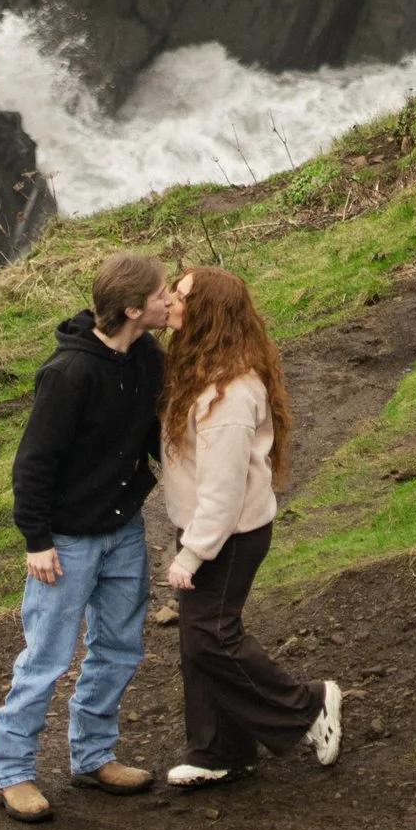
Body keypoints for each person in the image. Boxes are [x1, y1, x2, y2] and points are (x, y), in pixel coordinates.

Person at [0, 247, 168, 822]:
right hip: (63, 543)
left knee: (118, 647)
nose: (171, 301)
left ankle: (92, 757)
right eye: (163, 294)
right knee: (46, 657)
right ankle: (11, 770)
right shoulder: (68, 373)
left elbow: (154, 438)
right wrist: (35, 540)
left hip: (123, 531)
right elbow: (33, 463)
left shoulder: (147, 357)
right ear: (135, 308)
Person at [155, 264, 342, 787]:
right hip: (210, 528)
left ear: (207, 314)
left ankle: (309, 706)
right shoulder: (201, 368)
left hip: (227, 535)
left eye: (182, 296)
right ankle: (220, 751)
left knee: (212, 637)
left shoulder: (230, 394)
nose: (170, 300)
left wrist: (193, 554)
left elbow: (224, 488)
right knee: (198, 640)